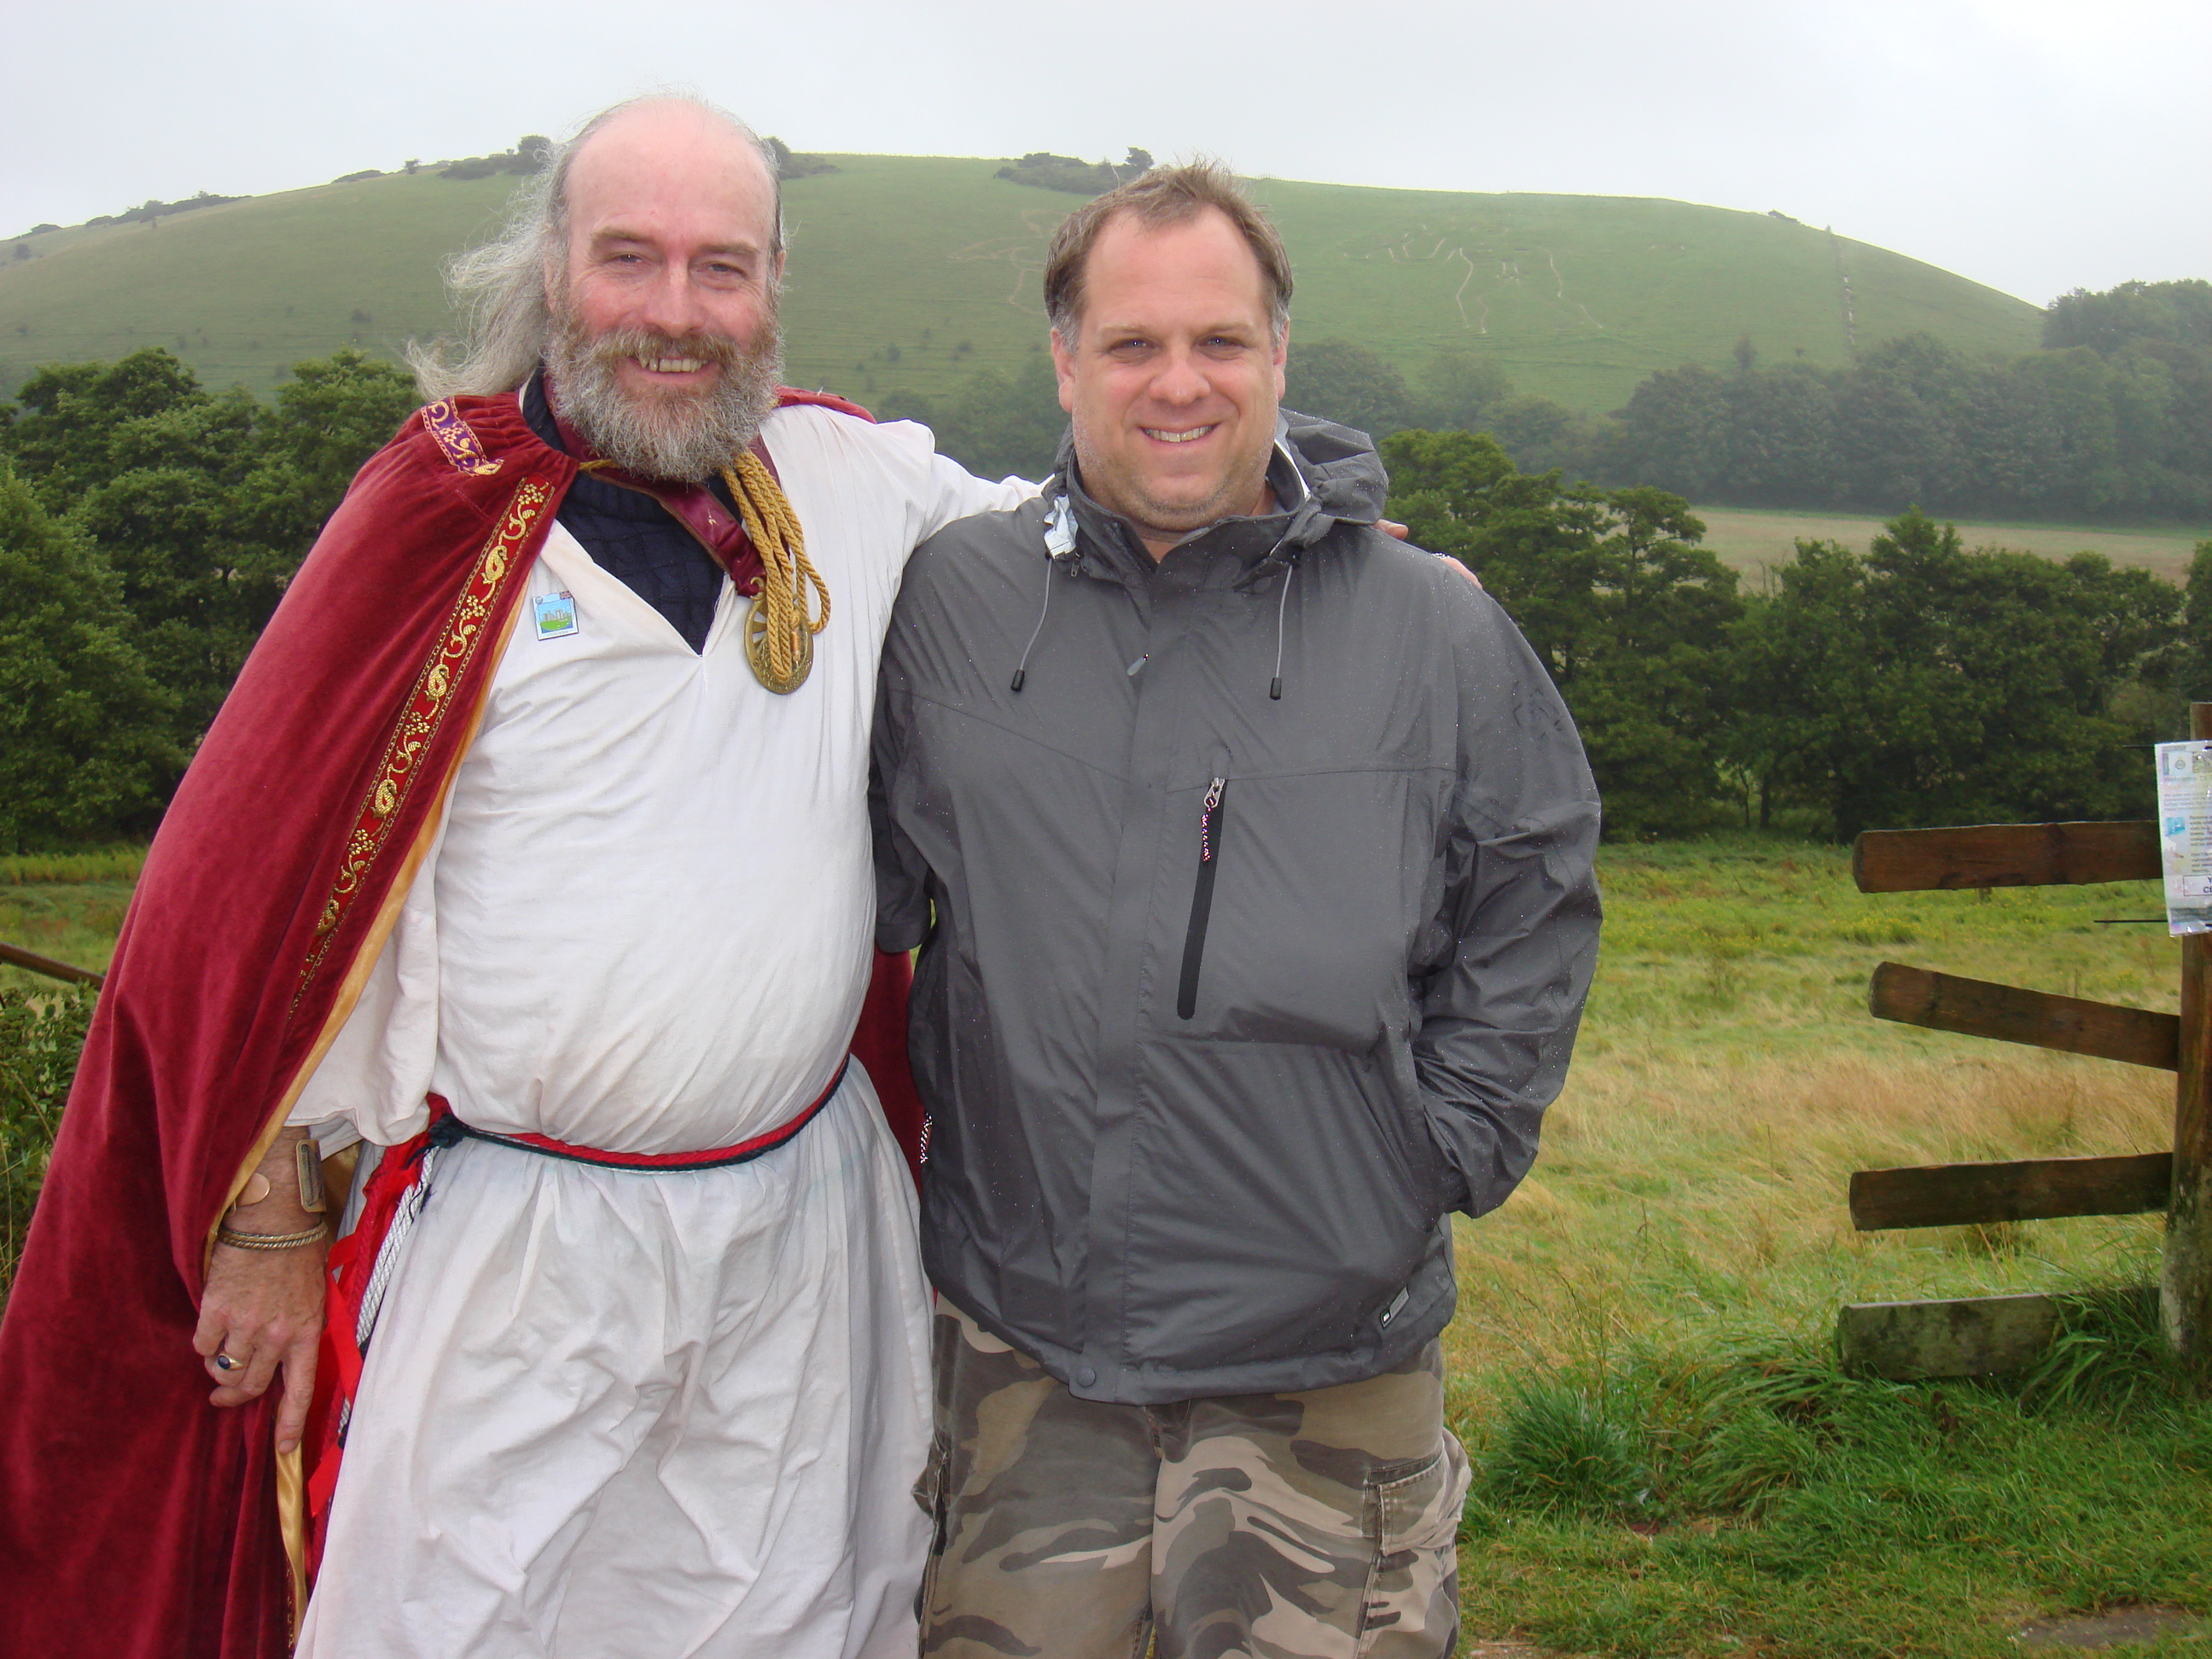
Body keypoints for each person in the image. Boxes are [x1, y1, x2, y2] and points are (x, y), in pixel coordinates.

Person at [0, 96, 1030, 1659]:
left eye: (721, 268)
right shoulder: (433, 517)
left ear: (773, 289)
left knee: (804, 1617)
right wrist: (271, 1219)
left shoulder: (849, 483)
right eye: (631, 260)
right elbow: (256, 905)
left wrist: (1331, 542)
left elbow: (1085, 537)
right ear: (553, 271)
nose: (675, 313)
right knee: (460, 1623)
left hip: (804, 1238)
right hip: (525, 1252)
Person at [870, 162, 1603, 1659]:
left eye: (1221, 342)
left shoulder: (1434, 627)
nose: (1178, 384)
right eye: (1134, 345)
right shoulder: (951, 606)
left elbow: (1538, 883)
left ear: (1280, 356)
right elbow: (865, 882)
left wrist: (1438, 1147)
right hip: (1031, 1354)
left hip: (1326, 1364)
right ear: (1067, 362)